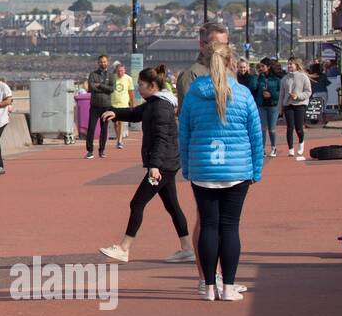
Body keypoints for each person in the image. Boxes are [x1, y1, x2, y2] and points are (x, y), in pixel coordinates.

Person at [178, 41, 264, 301]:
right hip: (237, 169)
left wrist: (187, 167)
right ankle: (228, 287)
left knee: (208, 226)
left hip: (203, 168)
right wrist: (256, 170)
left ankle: (208, 286)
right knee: (230, 227)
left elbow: (184, 132)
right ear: (230, 64)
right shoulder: (243, 94)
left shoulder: (194, 93)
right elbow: (255, 135)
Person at [96, 65, 193, 263]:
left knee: (137, 202)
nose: (138, 87)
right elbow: (135, 113)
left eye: (141, 84)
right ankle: (187, 248)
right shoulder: (153, 103)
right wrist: (114, 112)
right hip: (168, 162)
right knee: (173, 206)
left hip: (163, 164)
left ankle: (124, 248)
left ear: (152, 85)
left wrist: (154, 166)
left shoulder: (161, 108)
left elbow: (161, 138)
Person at [279, 57, 312, 160]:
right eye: (288, 64)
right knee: (289, 127)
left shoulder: (303, 77)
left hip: (300, 104)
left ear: (296, 65)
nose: (289, 66)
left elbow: (308, 92)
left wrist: (298, 96)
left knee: (299, 127)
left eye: (291, 64)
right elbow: (281, 94)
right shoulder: (284, 79)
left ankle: (301, 142)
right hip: (288, 105)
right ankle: (291, 149)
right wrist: (280, 108)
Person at [84, 54, 115, 158]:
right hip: (95, 106)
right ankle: (90, 151)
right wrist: (103, 88)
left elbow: (111, 89)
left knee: (104, 129)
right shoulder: (93, 74)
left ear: (108, 62)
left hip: (106, 106)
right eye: (101, 62)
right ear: (98, 62)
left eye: (105, 61)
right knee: (91, 128)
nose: (103, 63)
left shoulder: (111, 75)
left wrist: (100, 85)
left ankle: (102, 150)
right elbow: (91, 87)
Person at [252, 58, 280, 156]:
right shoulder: (259, 77)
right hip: (261, 106)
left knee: (272, 129)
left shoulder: (276, 79)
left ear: (268, 67)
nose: (260, 68)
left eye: (262, 66)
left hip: (273, 106)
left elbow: (280, 93)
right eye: (259, 66)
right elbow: (254, 87)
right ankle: (262, 149)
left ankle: (273, 147)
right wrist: (256, 75)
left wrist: (271, 94)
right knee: (262, 128)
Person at [110, 60, 137, 149]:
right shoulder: (112, 78)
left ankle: (120, 140)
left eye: (122, 71)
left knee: (121, 122)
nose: (120, 72)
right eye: (118, 71)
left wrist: (132, 104)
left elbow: (131, 92)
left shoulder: (128, 78)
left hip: (124, 103)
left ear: (124, 71)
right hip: (113, 103)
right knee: (116, 123)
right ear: (116, 71)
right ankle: (118, 137)